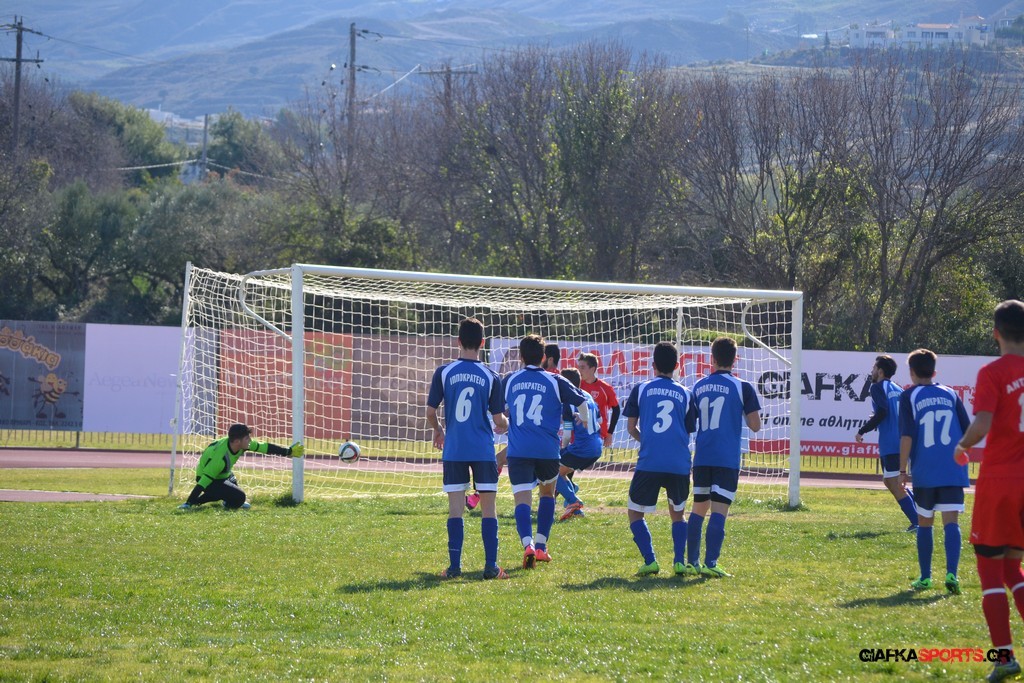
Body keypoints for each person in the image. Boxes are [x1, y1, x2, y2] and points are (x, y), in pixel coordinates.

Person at [952, 300, 1024, 682]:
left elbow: (982, 422)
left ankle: (1004, 658)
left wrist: (962, 446)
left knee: (991, 570)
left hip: (1000, 483)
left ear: (996, 333)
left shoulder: (992, 372)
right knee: (1013, 566)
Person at [426, 317, 510, 580]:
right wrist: (507, 424)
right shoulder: (491, 376)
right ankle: (491, 567)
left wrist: (439, 430)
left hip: (454, 449)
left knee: (455, 509)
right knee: (488, 509)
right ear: (483, 343)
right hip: (483, 450)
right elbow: (498, 420)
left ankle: (454, 568)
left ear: (458, 342)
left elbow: (430, 412)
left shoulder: (444, 372)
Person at [503, 334, 589, 569]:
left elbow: (497, 410)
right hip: (547, 450)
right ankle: (541, 547)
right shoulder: (555, 380)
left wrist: (502, 422)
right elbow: (581, 401)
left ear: (521, 357)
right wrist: (584, 420)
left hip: (519, 450)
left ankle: (527, 545)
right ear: (543, 357)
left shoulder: (510, 380)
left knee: (522, 499)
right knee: (547, 495)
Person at [685, 337, 761, 578]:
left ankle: (691, 562)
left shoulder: (699, 386)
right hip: (726, 458)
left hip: (702, 456)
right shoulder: (742, 387)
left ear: (713, 358)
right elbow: (755, 425)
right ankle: (711, 562)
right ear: (735, 359)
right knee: (719, 510)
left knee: (698, 509)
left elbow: (689, 423)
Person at [622, 341, 698, 577]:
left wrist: (647, 440)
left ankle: (650, 560)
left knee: (635, 512)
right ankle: (679, 562)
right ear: (676, 366)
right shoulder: (686, 393)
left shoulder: (641, 389)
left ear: (653, 364)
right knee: (678, 514)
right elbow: (688, 430)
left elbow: (631, 428)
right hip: (679, 463)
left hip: (650, 461)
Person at [898, 348, 970, 594]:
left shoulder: (909, 396)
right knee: (951, 521)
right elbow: (967, 429)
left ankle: (926, 577)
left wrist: (902, 470)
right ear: (934, 372)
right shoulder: (950, 393)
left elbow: (907, 436)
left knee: (925, 523)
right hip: (952, 469)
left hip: (925, 470)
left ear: (911, 372)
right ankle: (952, 574)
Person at [855, 354, 919, 531]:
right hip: (902, 441)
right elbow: (897, 413)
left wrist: (862, 430)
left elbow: (883, 411)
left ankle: (917, 522)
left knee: (893, 483)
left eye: (874, 368)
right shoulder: (898, 389)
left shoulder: (877, 387)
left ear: (881, 371)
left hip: (891, 443)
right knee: (891, 481)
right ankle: (920, 517)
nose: (872, 371)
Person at [178, 423, 303, 510]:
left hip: (224, 474)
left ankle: (223, 497)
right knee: (239, 498)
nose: (250, 440)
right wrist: (188, 503)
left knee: (231, 484)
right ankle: (196, 502)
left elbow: (264, 447)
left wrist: (288, 452)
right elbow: (203, 482)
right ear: (237, 441)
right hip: (206, 478)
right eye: (247, 438)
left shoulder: (241, 444)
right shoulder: (219, 458)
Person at [555, 367, 602, 521]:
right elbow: (600, 420)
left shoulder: (569, 402)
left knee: (552, 471)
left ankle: (572, 498)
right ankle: (575, 508)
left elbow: (567, 434)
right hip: (597, 446)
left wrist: (563, 449)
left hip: (583, 448)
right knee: (561, 471)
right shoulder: (588, 396)